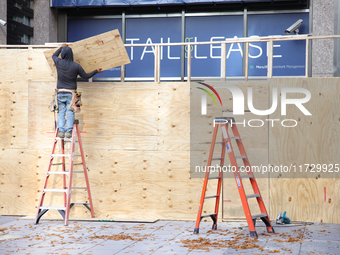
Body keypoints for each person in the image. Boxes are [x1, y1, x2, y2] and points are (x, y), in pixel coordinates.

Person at [52, 43, 103, 138]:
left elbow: (53, 56)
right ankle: (69, 132)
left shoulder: (59, 62)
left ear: (63, 55)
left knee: (61, 113)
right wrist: (96, 71)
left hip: (59, 93)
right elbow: (85, 76)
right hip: (71, 94)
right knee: (71, 111)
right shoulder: (76, 66)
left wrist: (61, 48)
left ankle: (61, 131)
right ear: (71, 55)